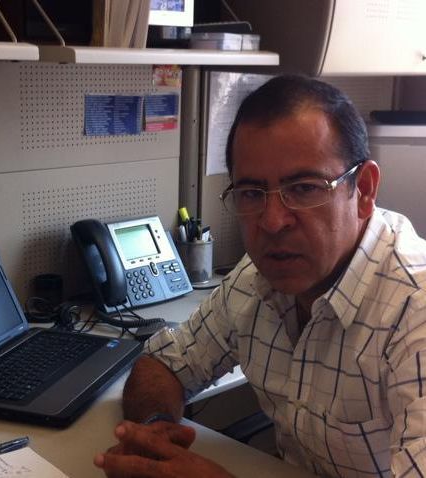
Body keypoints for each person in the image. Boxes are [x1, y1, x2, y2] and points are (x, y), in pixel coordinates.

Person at [93, 75, 426, 477]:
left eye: (304, 188)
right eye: (251, 194)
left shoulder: (414, 310)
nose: (272, 222)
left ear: (365, 190)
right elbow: (164, 364)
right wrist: (155, 435)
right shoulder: (257, 279)